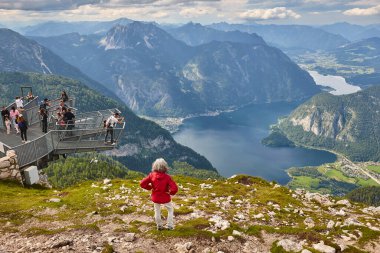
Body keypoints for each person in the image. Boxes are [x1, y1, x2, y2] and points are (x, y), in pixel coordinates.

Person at [140, 158, 178, 230]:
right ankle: (170, 226)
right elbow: (175, 189)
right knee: (170, 210)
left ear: (154, 166)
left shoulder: (151, 175)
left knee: (157, 211)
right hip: (165, 198)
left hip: (156, 197)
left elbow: (142, 183)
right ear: (165, 167)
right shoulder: (167, 177)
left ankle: (159, 226)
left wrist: (150, 187)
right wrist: (170, 192)